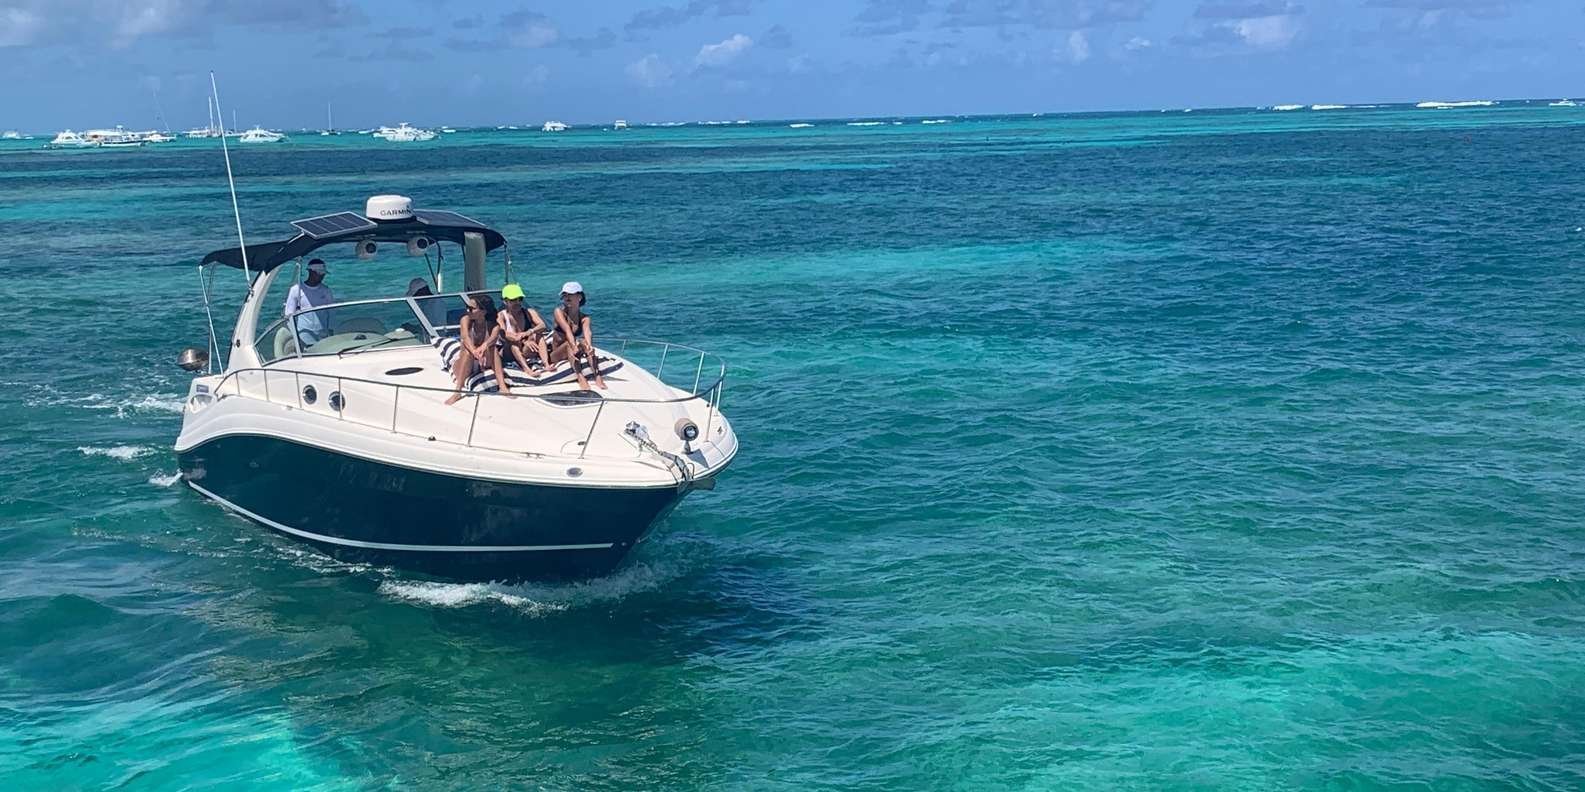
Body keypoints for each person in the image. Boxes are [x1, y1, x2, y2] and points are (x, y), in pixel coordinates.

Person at [444, 293, 512, 405]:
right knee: (468, 351)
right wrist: (475, 351)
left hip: (484, 362)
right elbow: (465, 338)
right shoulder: (465, 320)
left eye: (471, 308)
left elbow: (492, 339)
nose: (467, 310)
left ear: (483, 311)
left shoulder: (494, 325)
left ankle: (502, 386)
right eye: (467, 307)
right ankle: (457, 391)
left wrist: (483, 346)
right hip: (465, 364)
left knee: (493, 349)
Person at [550, 281, 606, 390]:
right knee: (569, 344)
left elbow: (587, 332)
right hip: (556, 354)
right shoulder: (559, 312)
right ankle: (580, 376)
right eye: (565, 295)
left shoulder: (585, 318)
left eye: (570, 294)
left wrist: (589, 347)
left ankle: (597, 375)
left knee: (585, 343)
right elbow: (567, 330)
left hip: (573, 351)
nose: (567, 297)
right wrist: (574, 346)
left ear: (579, 297)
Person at [497, 283, 549, 375]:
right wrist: (525, 341)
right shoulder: (501, 316)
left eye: (520, 299)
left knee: (539, 335)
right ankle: (527, 369)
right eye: (513, 300)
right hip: (509, 352)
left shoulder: (529, 312)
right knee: (513, 343)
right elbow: (504, 334)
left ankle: (546, 364)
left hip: (524, 350)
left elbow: (542, 325)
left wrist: (529, 332)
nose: (517, 302)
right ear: (505, 301)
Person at [283, 259, 335, 345]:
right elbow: (289, 314)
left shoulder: (326, 290)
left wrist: (331, 330)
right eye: (319, 274)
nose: (322, 276)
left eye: (323, 274)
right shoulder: (296, 290)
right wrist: (295, 335)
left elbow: (331, 312)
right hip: (304, 333)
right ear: (311, 272)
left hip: (323, 333)